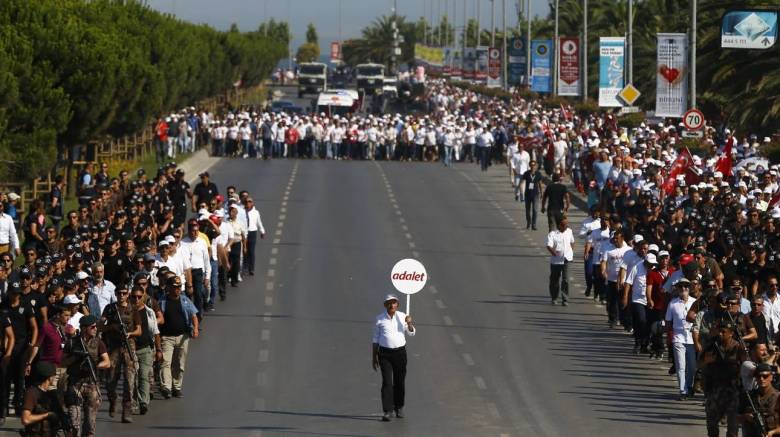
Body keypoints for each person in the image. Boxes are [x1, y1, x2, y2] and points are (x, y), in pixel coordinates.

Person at [63, 315, 111, 437]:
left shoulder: (98, 342)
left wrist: (95, 365)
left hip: (91, 383)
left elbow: (107, 362)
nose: (95, 329)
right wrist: (76, 357)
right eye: (93, 327)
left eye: (96, 327)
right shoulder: (72, 342)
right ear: (84, 328)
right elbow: (62, 362)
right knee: (74, 423)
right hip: (75, 384)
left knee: (90, 425)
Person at [100, 284, 141, 423]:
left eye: (124, 293)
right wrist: (110, 327)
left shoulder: (133, 309)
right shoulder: (110, 309)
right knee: (110, 380)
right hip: (113, 348)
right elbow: (100, 326)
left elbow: (139, 330)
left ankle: (127, 409)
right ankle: (112, 400)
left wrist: (130, 333)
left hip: (128, 346)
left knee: (129, 381)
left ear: (127, 294)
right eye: (119, 293)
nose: (121, 295)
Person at [372, 294, 415, 422]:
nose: (392, 305)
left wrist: (410, 323)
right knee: (387, 382)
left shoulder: (403, 316)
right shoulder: (379, 319)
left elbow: (411, 332)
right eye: (389, 303)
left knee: (399, 381)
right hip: (384, 354)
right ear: (385, 305)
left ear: (397, 305)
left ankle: (399, 407)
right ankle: (387, 411)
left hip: (400, 354)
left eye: (394, 303)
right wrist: (374, 357)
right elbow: (375, 339)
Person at [700, 318, 745, 436]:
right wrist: (708, 361)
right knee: (712, 426)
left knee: (732, 428)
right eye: (719, 331)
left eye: (724, 332)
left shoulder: (738, 348)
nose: (720, 334)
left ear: (731, 333)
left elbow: (745, 367)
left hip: (732, 390)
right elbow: (701, 363)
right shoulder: (712, 345)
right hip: (715, 389)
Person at [158, 275, 198, 399]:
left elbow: (194, 315)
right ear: (169, 287)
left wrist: (195, 328)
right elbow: (158, 317)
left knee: (179, 364)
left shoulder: (185, 300)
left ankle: (177, 387)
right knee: (166, 363)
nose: (177, 289)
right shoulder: (162, 301)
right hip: (167, 338)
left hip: (182, 337)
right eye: (175, 287)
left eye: (179, 287)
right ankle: (166, 388)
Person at [131, 286, 161, 415]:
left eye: (139, 296)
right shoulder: (127, 312)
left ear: (143, 296)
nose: (136, 299)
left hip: (145, 349)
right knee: (134, 378)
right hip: (131, 350)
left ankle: (143, 402)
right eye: (134, 297)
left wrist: (158, 349)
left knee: (143, 376)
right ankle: (135, 400)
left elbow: (155, 332)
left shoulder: (149, 312)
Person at [665, 278, 697, 400]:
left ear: (689, 288)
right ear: (677, 289)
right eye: (681, 287)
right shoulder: (673, 303)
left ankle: (688, 386)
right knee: (680, 365)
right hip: (678, 338)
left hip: (691, 338)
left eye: (686, 287)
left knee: (692, 366)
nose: (683, 289)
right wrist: (669, 336)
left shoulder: (695, 302)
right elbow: (668, 322)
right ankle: (682, 390)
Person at [21, 362, 64, 437]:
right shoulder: (32, 393)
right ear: (49, 377)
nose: (56, 378)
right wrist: (47, 415)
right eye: (55, 375)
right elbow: (25, 419)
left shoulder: (52, 394)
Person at [738, 362, 780, 437]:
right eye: (758, 376)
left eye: (765, 376)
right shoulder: (749, 396)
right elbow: (736, 417)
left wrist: (773, 432)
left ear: (771, 377)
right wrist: (745, 417)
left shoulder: (778, 397)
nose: (761, 379)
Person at [546, 216, 575, 306]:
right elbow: (548, 246)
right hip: (556, 261)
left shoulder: (569, 231)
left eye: (567, 224)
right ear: (559, 225)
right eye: (564, 224)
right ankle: (554, 297)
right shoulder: (552, 234)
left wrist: (571, 251)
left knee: (565, 279)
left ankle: (565, 299)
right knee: (554, 280)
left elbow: (572, 241)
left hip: (567, 259)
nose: (566, 226)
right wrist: (554, 253)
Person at [243, 197, 266, 276]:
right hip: (244, 233)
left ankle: (251, 268)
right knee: (245, 251)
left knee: (251, 251)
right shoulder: (242, 211)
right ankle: (245, 267)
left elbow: (259, 222)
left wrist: (262, 231)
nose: (248, 203)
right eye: (246, 202)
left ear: (252, 203)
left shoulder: (256, 212)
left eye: (250, 202)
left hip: (252, 232)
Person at [521, 161, 543, 230]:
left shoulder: (538, 174)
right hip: (527, 194)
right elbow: (522, 182)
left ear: (536, 166)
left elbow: (540, 184)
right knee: (527, 210)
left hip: (535, 194)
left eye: (534, 165)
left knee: (535, 210)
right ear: (530, 166)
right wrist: (521, 192)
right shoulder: (526, 173)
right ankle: (528, 222)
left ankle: (534, 224)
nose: (533, 167)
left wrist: (542, 193)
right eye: (532, 165)